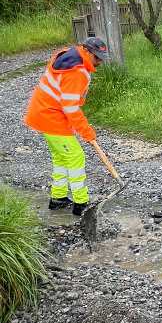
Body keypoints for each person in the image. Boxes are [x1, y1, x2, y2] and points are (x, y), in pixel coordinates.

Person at [24, 36, 108, 216]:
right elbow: (70, 107)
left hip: (44, 112)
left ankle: (58, 198)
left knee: (61, 157)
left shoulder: (68, 56)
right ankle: (81, 203)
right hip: (51, 116)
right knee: (75, 157)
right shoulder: (76, 71)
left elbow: (64, 100)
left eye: (102, 58)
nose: (100, 61)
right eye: (97, 57)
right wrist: (86, 132)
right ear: (86, 51)